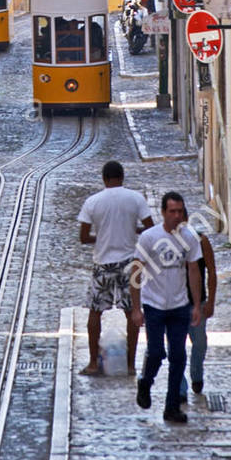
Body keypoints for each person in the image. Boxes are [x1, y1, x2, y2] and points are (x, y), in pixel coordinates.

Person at [131, 190, 202, 423]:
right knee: (156, 352)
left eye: (180, 211)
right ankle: (146, 381)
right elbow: (136, 271)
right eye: (172, 211)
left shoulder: (189, 237)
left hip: (179, 305)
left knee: (178, 355)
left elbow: (193, 270)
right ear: (163, 213)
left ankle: (171, 406)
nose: (176, 215)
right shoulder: (149, 238)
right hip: (154, 305)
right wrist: (135, 308)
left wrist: (197, 305)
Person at [77, 161, 154, 376]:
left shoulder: (93, 202)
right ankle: (130, 365)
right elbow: (150, 229)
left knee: (95, 312)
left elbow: (83, 237)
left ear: (104, 178)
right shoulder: (136, 198)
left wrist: (102, 236)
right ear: (122, 177)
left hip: (102, 264)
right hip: (129, 263)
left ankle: (93, 363)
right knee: (132, 313)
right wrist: (132, 230)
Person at [179, 211, 217, 399]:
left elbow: (211, 270)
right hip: (174, 304)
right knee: (176, 347)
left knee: (199, 343)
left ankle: (196, 374)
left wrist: (210, 301)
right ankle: (180, 389)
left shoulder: (201, 241)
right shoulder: (164, 244)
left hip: (197, 302)